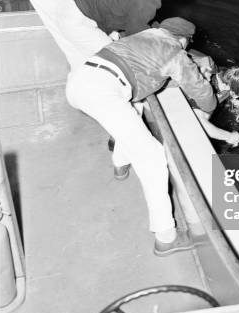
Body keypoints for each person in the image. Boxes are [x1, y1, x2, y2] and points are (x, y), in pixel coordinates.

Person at [65, 17, 217, 257]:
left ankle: (120, 165)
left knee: (131, 114)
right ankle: (166, 238)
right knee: (153, 157)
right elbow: (200, 89)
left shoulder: (143, 36)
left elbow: (143, 71)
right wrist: (208, 111)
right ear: (182, 40)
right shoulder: (174, 50)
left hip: (79, 81)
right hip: (101, 91)